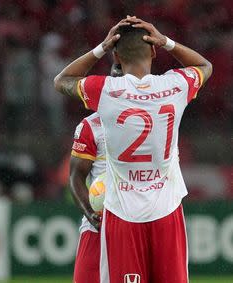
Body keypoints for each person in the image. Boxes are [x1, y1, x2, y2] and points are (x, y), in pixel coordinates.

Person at [54, 16, 212, 283]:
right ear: (153, 50)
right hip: (167, 210)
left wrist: (101, 47)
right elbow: (204, 65)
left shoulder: (105, 90)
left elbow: (62, 80)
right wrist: (167, 42)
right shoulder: (174, 85)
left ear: (116, 56)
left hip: (122, 216)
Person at [70, 63, 122, 283]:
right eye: (114, 80)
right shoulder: (91, 126)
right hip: (99, 223)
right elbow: (75, 177)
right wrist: (91, 215)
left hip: (140, 219)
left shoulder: (157, 119)